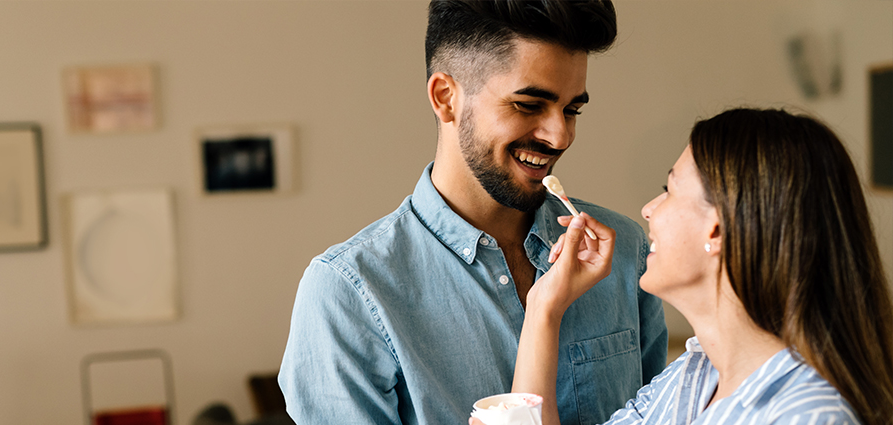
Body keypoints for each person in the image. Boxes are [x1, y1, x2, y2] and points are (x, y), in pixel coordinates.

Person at [279, 1, 669, 424]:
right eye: (528, 105)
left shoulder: (625, 250)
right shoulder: (348, 293)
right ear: (445, 98)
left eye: (572, 109)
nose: (560, 135)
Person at [498, 108, 893, 425]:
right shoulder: (692, 375)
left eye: (669, 189)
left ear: (717, 229)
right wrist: (544, 308)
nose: (648, 210)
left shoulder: (810, 415)